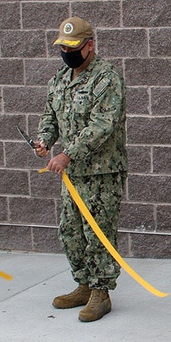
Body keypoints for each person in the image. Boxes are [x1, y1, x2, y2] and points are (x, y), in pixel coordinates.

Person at [34, 16, 127, 323]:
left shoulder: (106, 78)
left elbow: (102, 125)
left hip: (101, 173)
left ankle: (101, 293)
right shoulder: (60, 79)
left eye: (72, 47)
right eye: (62, 47)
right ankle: (84, 284)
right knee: (70, 232)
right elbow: (50, 115)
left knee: (98, 234)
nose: (66, 52)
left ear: (90, 46)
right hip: (73, 176)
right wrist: (45, 141)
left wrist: (67, 155)